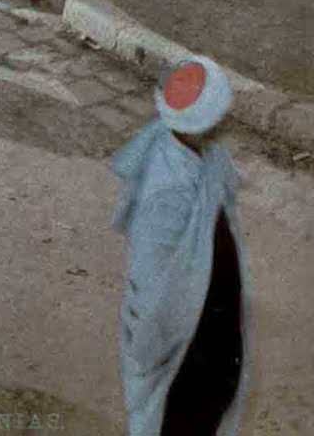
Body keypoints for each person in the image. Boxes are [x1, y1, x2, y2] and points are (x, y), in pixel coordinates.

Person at [113, 57, 247, 435]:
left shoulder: (195, 150)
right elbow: (153, 286)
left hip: (209, 309)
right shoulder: (166, 194)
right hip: (187, 335)